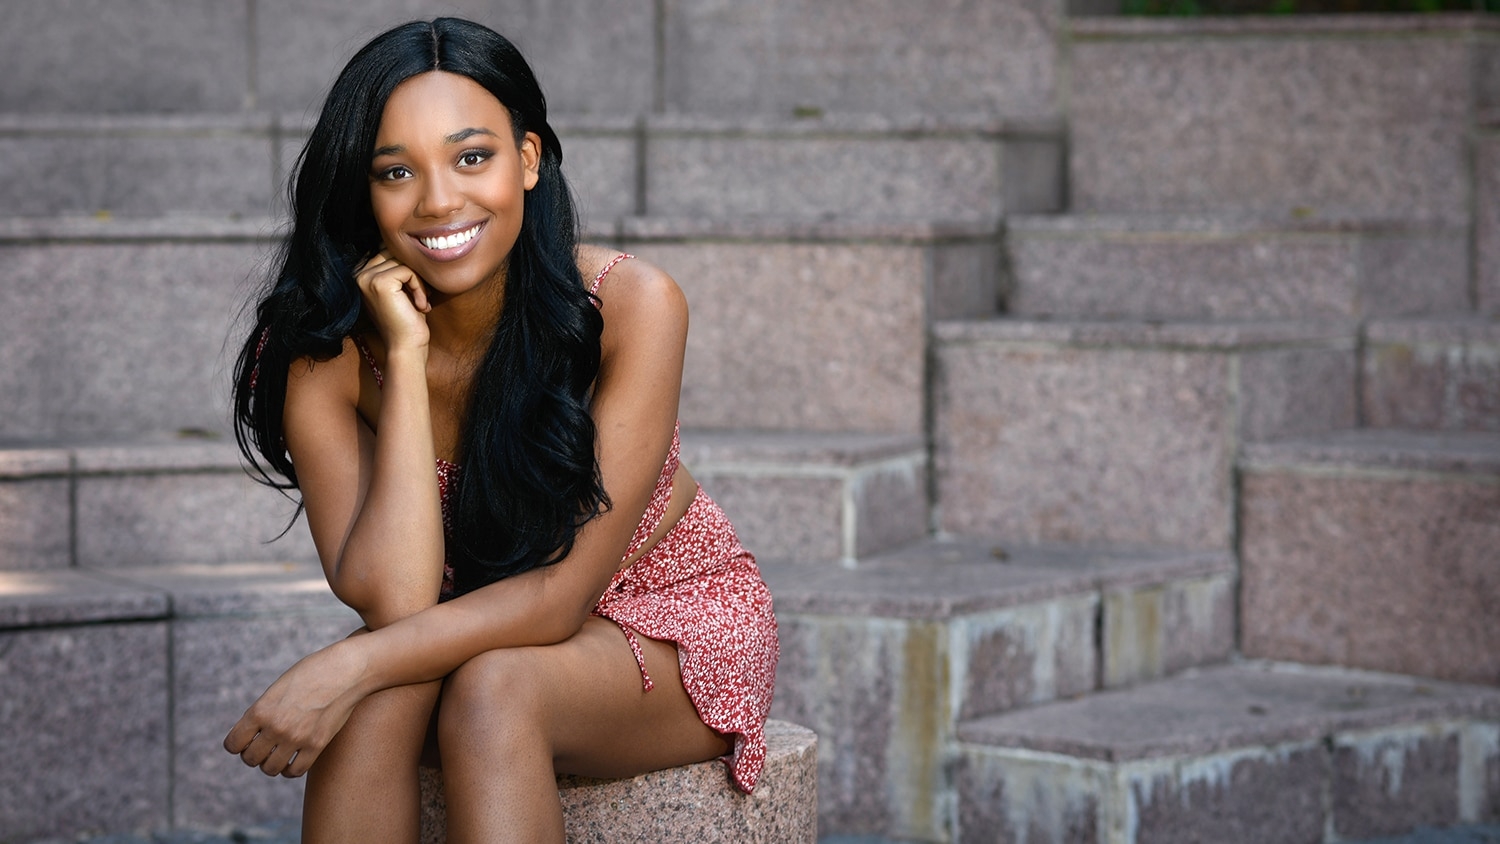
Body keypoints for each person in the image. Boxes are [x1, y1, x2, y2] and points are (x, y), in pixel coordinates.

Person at [222, 17, 778, 843]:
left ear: (527, 160)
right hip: (465, 615)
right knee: (377, 703)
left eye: (471, 157)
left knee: (484, 689)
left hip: (666, 619)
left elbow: (558, 600)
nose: (439, 199)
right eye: (396, 171)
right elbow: (398, 602)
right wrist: (404, 362)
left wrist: (345, 663)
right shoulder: (319, 349)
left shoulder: (631, 306)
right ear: (361, 191)